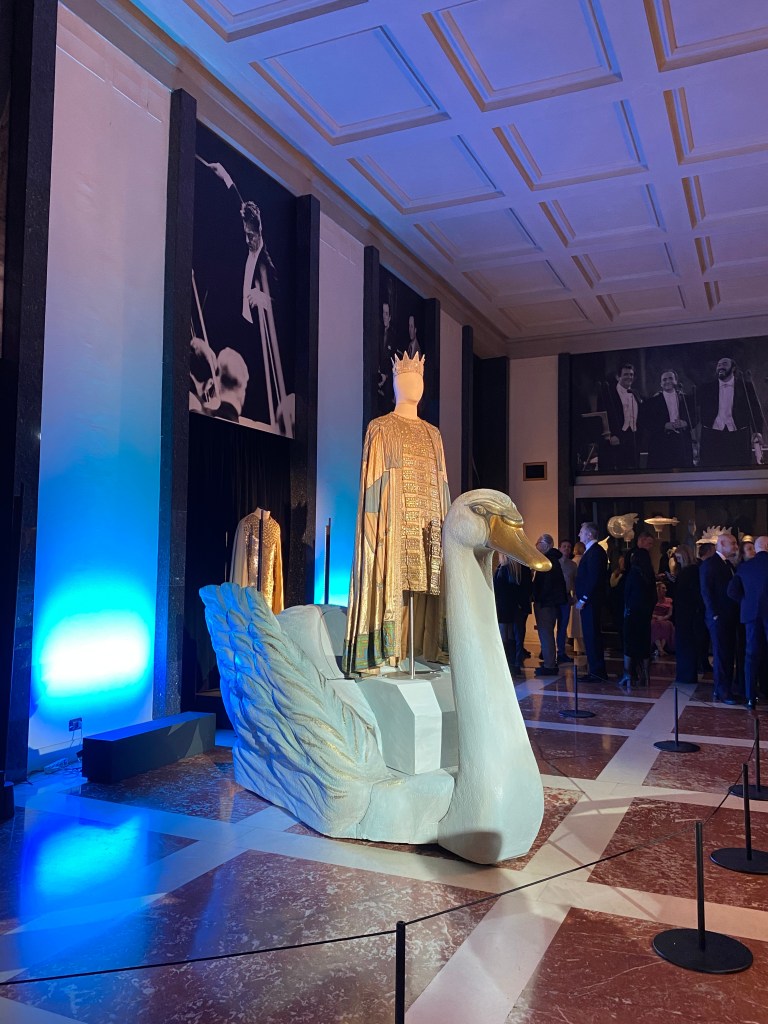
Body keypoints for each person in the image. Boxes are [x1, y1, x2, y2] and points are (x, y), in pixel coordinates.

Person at [697, 357, 763, 468]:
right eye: (718, 365)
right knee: (712, 470)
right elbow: (692, 403)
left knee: (740, 468)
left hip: (738, 436)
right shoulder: (706, 388)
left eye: (724, 364)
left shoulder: (746, 387)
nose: (720, 366)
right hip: (712, 436)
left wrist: (757, 431)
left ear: (733, 368)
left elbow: (755, 410)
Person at [727, 535, 768, 710]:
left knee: (751, 656)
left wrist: (745, 603)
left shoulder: (745, 567)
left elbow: (731, 591)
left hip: (751, 615)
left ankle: (751, 697)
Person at [699, 531, 740, 703]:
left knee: (727, 653)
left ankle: (722, 689)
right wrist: (714, 614)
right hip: (719, 618)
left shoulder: (728, 565)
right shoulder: (710, 564)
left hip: (728, 617)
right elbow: (706, 592)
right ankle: (723, 692)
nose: (736, 547)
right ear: (722, 544)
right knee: (722, 654)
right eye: (733, 543)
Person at [618, 530, 656, 688]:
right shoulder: (649, 575)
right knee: (644, 643)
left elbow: (627, 594)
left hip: (632, 613)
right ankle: (646, 676)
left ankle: (627, 674)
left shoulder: (633, 573)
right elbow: (653, 596)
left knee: (629, 643)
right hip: (645, 614)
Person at [639, 369, 695, 469]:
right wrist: (663, 425)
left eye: (670, 378)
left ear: (676, 381)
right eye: (664, 379)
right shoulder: (652, 402)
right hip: (661, 443)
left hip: (682, 442)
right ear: (661, 384)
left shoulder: (686, 399)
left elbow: (695, 417)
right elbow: (646, 422)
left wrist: (685, 423)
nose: (667, 381)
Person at [575, 522, 610, 680]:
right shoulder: (593, 551)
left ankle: (597, 671)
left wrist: (583, 599)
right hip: (590, 602)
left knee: (592, 635)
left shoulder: (596, 552)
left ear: (589, 534)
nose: (579, 534)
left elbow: (594, 579)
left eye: (581, 531)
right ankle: (594, 670)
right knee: (590, 636)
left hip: (591, 602)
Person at [532, 534, 567, 676]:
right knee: (546, 633)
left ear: (545, 545)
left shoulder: (548, 561)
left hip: (546, 603)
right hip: (549, 603)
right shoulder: (552, 560)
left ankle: (550, 665)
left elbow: (546, 585)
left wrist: (538, 597)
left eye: (538, 542)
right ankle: (549, 662)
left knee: (545, 633)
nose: (536, 545)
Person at [671, 546, 705, 686]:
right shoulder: (689, 571)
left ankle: (687, 675)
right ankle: (686, 673)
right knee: (686, 644)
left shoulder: (689, 572)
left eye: (679, 558)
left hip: (687, 613)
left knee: (686, 644)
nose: (678, 561)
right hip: (686, 612)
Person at [494, 556, 532, 674]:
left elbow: (498, 589)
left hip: (505, 606)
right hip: (517, 607)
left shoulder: (503, 569)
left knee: (506, 636)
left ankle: (508, 663)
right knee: (516, 636)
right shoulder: (522, 569)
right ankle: (515, 663)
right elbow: (527, 589)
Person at [600, 363, 642, 470]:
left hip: (633, 436)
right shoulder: (608, 392)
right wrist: (611, 435)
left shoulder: (635, 393)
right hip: (617, 436)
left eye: (631, 375)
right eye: (626, 374)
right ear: (618, 377)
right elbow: (603, 416)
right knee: (618, 469)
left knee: (633, 469)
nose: (629, 377)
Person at [557, 539, 576, 663]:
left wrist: (574, 596)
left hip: (566, 596)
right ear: (560, 548)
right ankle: (547, 650)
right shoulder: (555, 563)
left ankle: (561, 652)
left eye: (569, 547)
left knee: (563, 625)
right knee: (550, 624)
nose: (566, 549)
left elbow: (575, 581)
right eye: (564, 546)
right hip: (554, 597)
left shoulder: (573, 565)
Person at [651, 581, 675, 656]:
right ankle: (660, 649)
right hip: (654, 617)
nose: (665, 590)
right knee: (654, 624)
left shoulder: (669, 600)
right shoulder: (652, 599)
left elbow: (670, 613)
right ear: (658, 589)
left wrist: (664, 618)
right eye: (663, 588)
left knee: (667, 625)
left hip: (664, 618)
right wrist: (656, 617)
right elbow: (649, 611)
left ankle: (661, 649)